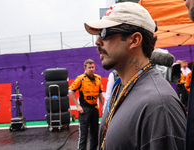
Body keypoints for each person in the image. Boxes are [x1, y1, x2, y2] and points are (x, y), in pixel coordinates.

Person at [84, 2, 186, 150]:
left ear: (135, 40)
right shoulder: (120, 87)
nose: (98, 41)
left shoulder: (159, 105)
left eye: (105, 33)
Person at [68, 59, 104, 150]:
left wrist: (103, 106)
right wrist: (77, 106)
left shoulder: (98, 78)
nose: (91, 69)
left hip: (94, 108)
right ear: (85, 68)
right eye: (89, 67)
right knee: (83, 135)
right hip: (84, 109)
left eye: (93, 67)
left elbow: (100, 93)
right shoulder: (81, 79)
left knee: (95, 133)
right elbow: (70, 91)